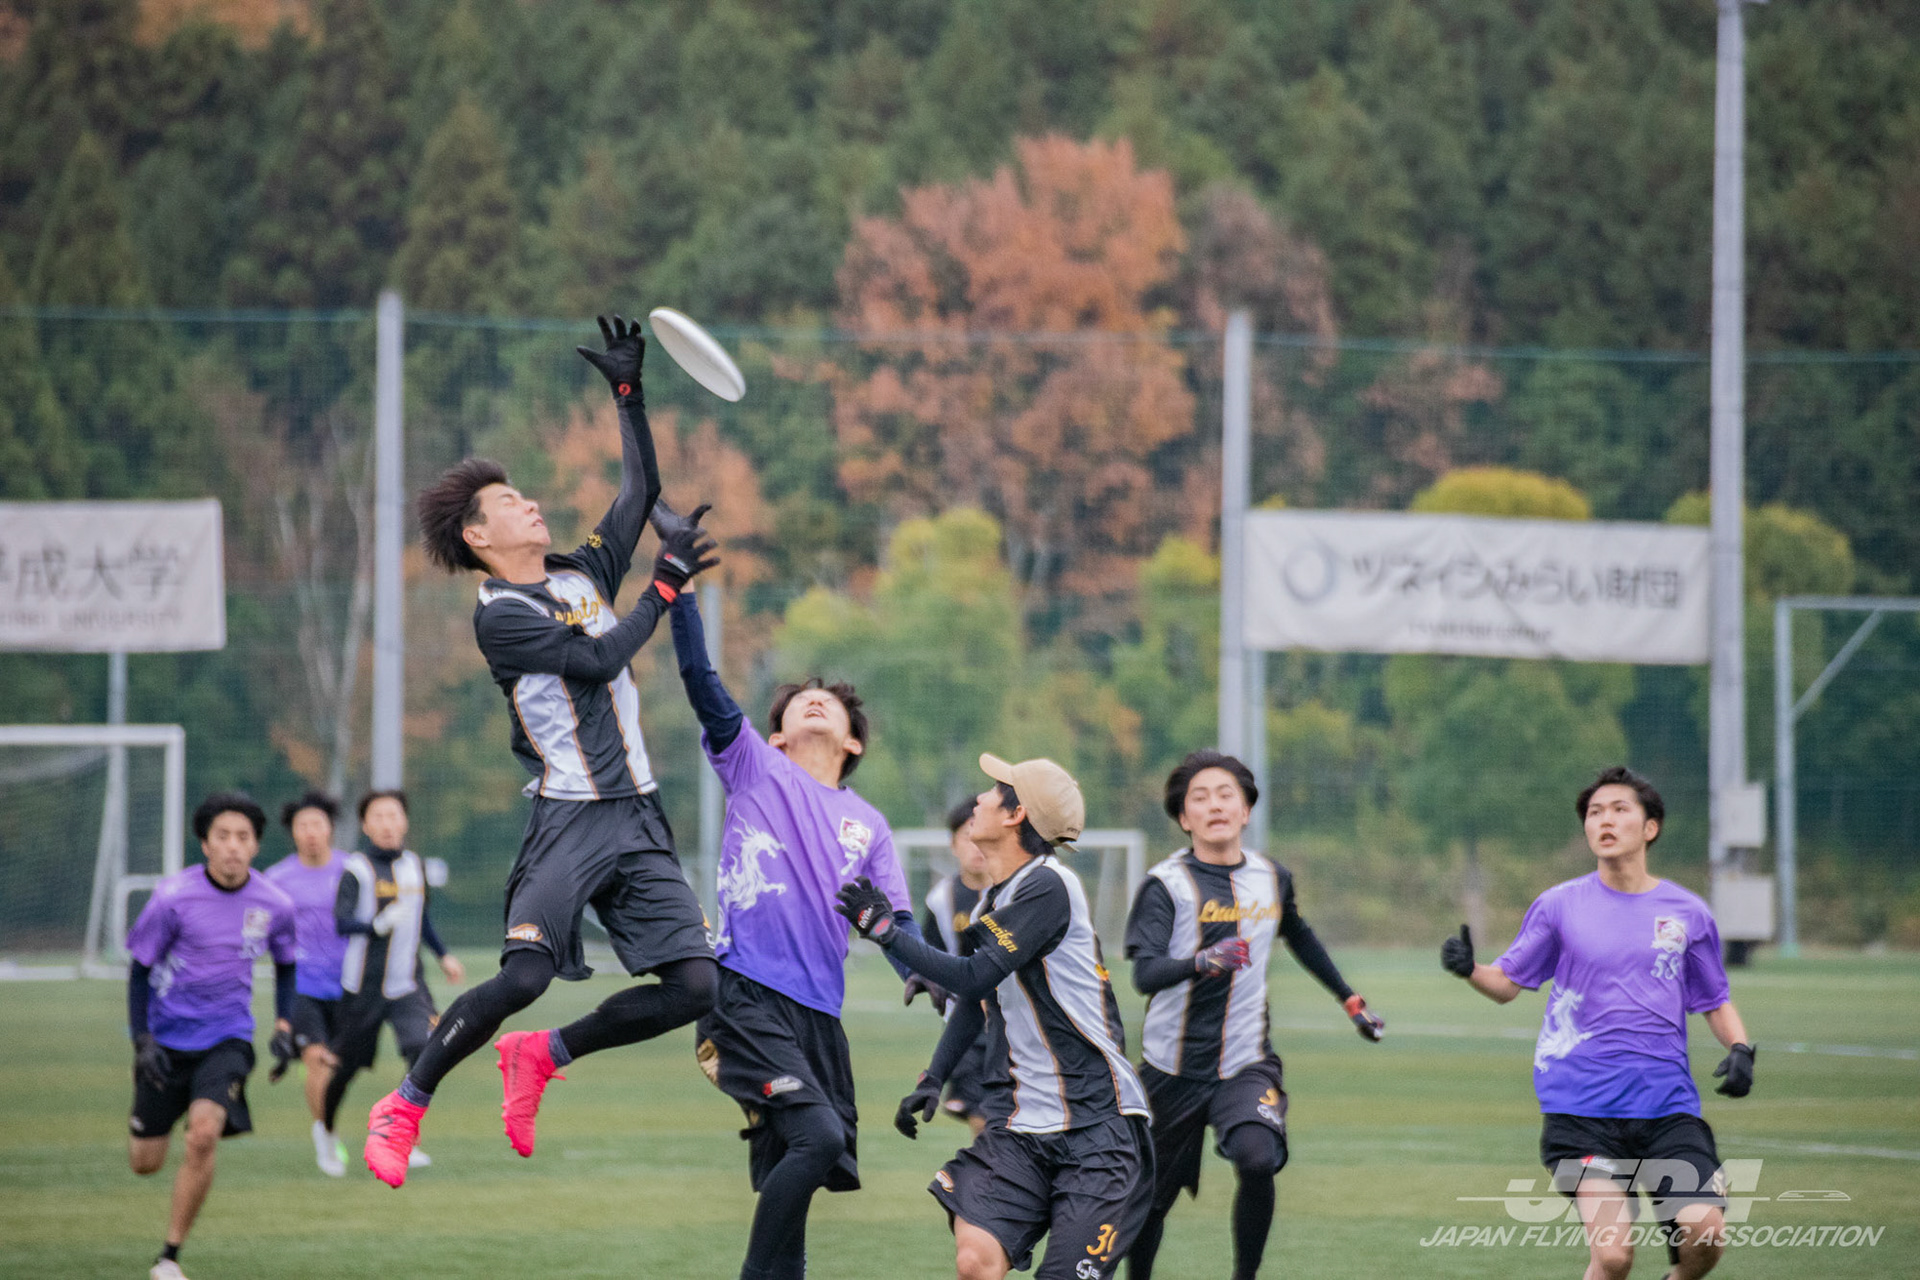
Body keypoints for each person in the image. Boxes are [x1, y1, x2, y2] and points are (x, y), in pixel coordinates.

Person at [367, 315, 719, 1187]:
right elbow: (599, 661)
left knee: (696, 987)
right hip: (568, 820)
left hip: (638, 817)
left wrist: (627, 392)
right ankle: (404, 1102)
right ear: (479, 538)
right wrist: (664, 585)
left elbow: (639, 493)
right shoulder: (502, 616)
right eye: (510, 503)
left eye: (526, 494)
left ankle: (545, 1055)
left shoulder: (577, 573)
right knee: (524, 975)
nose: (530, 503)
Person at [666, 557, 923, 1280]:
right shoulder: (754, 767)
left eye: (828, 703)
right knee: (818, 1137)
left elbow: (896, 923)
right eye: (798, 703)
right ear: (774, 737)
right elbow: (702, 684)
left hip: (819, 1018)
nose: (813, 702)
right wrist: (681, 596)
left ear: (853, 742)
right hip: (744, 995)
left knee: (800, 1185)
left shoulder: (869, 824)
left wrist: (932, 974)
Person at [838, 754, 1154, 1280]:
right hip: (1022, 1126)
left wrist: (887, 932)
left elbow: (971, 977)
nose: (978, 801)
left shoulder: (1048, 885)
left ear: (1015, 814)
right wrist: (933, 1077)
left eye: (992, 790)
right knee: (975, 1260)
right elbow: (980, 999)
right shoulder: (996, 899)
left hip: (1098, 1128)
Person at [1440, 765, 1756, 1280]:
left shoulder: (1688, 913)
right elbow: (1507, 983)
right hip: (1581, 1109)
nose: (1604, 820)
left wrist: (1740, 1049)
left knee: (1705, 1234)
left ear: (1650, 827)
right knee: (1612, 1257)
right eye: (1594, 812)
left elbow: (1714, 1000)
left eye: (1618, 809)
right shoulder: (1559, 906)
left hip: (1667, 1109)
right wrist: (1469, 969)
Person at [1123, 749, 1386, 1280]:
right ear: (1184, 818)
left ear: (1245, 810)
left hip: (1246, 1062)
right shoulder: (1166, 885)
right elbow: (1145, 974)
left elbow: (1299, 934)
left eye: (1227, 795)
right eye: (1200, 798)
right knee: (1149, 1201)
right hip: (1171, 1069)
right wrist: (1201, 961)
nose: (1215, 806)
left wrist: (1350, 1000)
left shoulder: (1272, 878)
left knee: (1258, 1158)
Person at [126, 792, 297, 1280]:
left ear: (256, 845)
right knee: (145, 1162)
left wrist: (284, 1027)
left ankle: (169, 1257)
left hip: (228, 1038)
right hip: (166, 1040)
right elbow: (140, 971)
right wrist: (142, 1040)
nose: (233, 846)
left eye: (243, 837)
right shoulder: (172, 898)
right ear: (205, 843)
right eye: (223, 836)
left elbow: (287, 966)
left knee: (203, 1136)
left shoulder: (275, 904)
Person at [321, 789, 464, 1171]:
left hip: (408, 985)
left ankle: (402, 1135)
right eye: (378, 816)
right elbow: (341, 922)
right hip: (363, 988)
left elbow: (422, 918)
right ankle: (327, 1132)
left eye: (393, 815)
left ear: (405, 821)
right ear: (365, 825)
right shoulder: (357, 869)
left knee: (424, 1049)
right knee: (345, 1068)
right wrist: (376, 925)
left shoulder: (415, 866)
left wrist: (444, 955)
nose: (387, 824)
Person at [262, 790, 351, 1175]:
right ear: (293, 832)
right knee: (318, 1061)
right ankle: (326, 1136)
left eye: (318, 824)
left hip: (348, 987)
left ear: (330, 828)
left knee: (338, 1068)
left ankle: (325, 1115)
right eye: (303, 825)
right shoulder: (276, 879)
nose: (311, 832)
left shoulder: (353, 871)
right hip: (302, 986)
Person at [912, 797, 992, 1134]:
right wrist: (925, 978)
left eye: (983, 837)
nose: (976, 846)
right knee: (981, 1114)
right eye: (967, 837)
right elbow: (931, 955)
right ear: (953, 844)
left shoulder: (1016, 893)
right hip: (968, 1023)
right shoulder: (940, 899)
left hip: (1015, 1020)